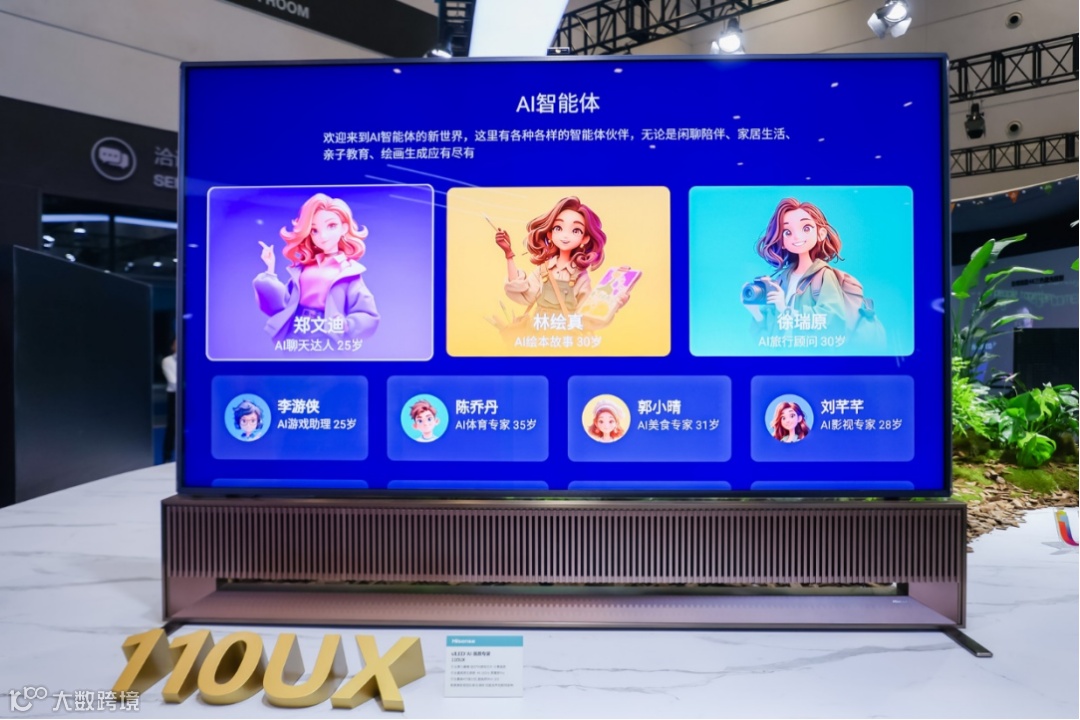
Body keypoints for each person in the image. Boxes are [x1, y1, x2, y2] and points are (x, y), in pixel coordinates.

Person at [253, 193, 379, 345]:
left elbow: (368, 314)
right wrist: (270, 268)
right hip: (296, 330)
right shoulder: (305, 268)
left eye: (331, 226)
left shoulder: (348, 272)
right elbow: (282, 304)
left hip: (327, 333)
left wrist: (347, 325)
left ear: (344, 228)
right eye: (314, 230)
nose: (323, 236)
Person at [494, 196, 628, 328]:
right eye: (558, 228)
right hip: (538, 334)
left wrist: (615, 301)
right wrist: (508, 254)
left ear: (585, 238)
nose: (565, 235)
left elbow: (589, 316)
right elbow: (523, 294)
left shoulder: (580, 276)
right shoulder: (543, 269)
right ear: (550, 234)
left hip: (565, 336)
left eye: (576, 230)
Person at [743, 198, 851, 333]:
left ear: (821, 234)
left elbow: (833, 319)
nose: (797, 236)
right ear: (781, 241)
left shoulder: (823, 275)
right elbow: (769, 336)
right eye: (787, 232)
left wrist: (784, 309)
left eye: (806, 228)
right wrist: (755, 312)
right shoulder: (781, 280)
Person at [161, 339, 177, 462]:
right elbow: (173, 382)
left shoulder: (190, 360)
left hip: (189, 395)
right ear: (172, 346)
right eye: (176, 343)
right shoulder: (167, 361)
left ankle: (188, 454)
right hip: (174, 396)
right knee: (172, 425)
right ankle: (167, 455)